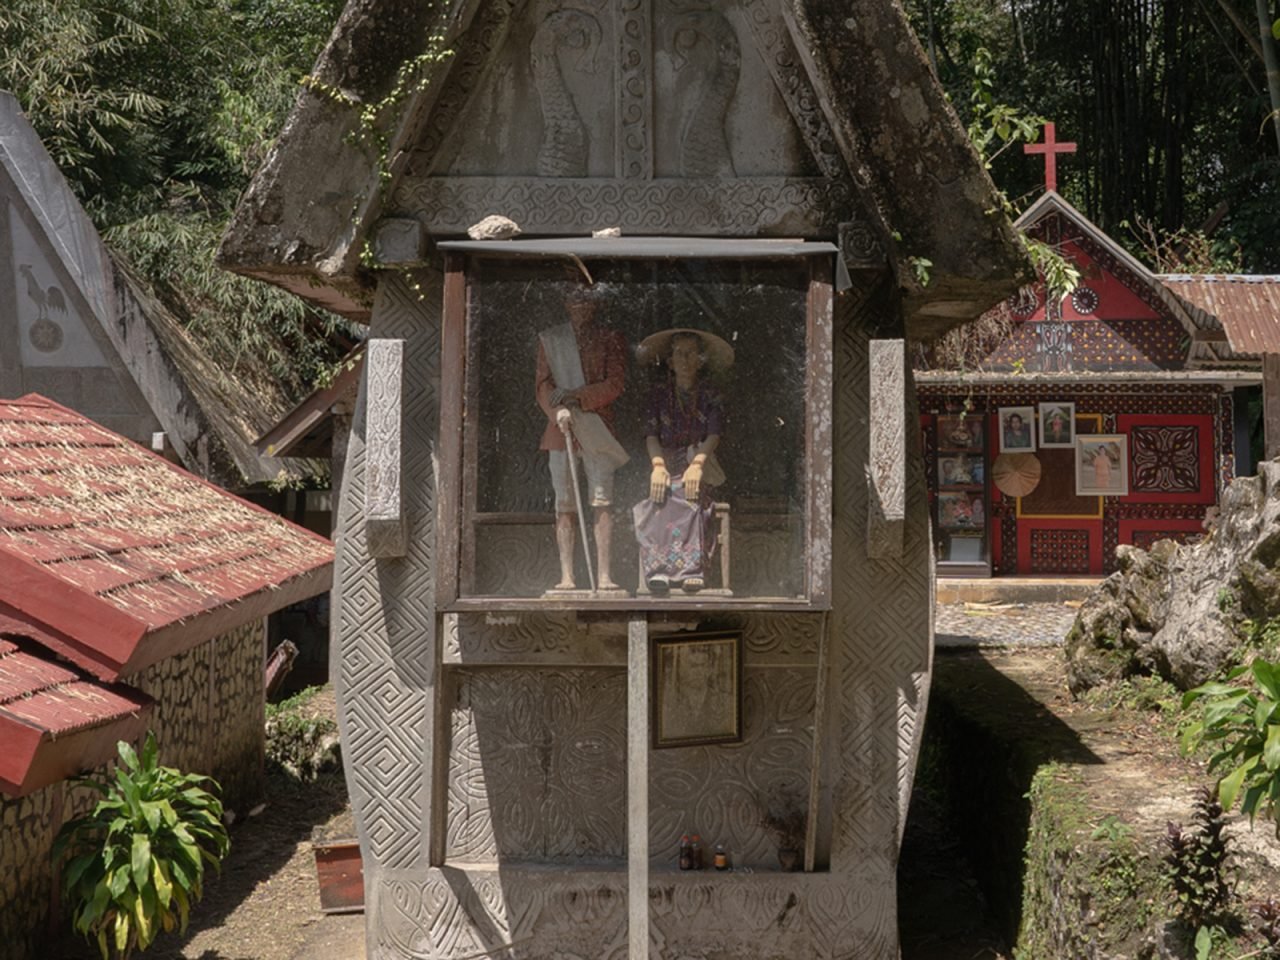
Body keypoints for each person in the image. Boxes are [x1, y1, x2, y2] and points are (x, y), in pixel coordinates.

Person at [536, 284, 628, 591]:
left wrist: (576, 397)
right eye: (573, 298)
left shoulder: (609, 338)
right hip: (559, 431)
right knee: (564, 504)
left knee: (602, 501)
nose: (579, 304)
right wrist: (556, 410)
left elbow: (614, 384)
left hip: (596, 428)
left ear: (595, 303)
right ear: (564, 301)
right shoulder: (551, 339)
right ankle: (567, 576)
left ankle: (604, 576)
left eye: (585, 298)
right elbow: (543, 385)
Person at [632, 328, 732, 593]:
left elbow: (714, 434)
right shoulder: (658, 395)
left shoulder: (711, 395)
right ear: (670, 360)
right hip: (666, 462)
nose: (685, 360)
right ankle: (660, 570)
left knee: (691, 494)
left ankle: (692, 569)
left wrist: (697, 465)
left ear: (700, 360)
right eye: (679, 354)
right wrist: (658, 467)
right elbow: (651, 435)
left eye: (691, 354)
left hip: (699, 460)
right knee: (660, 494)